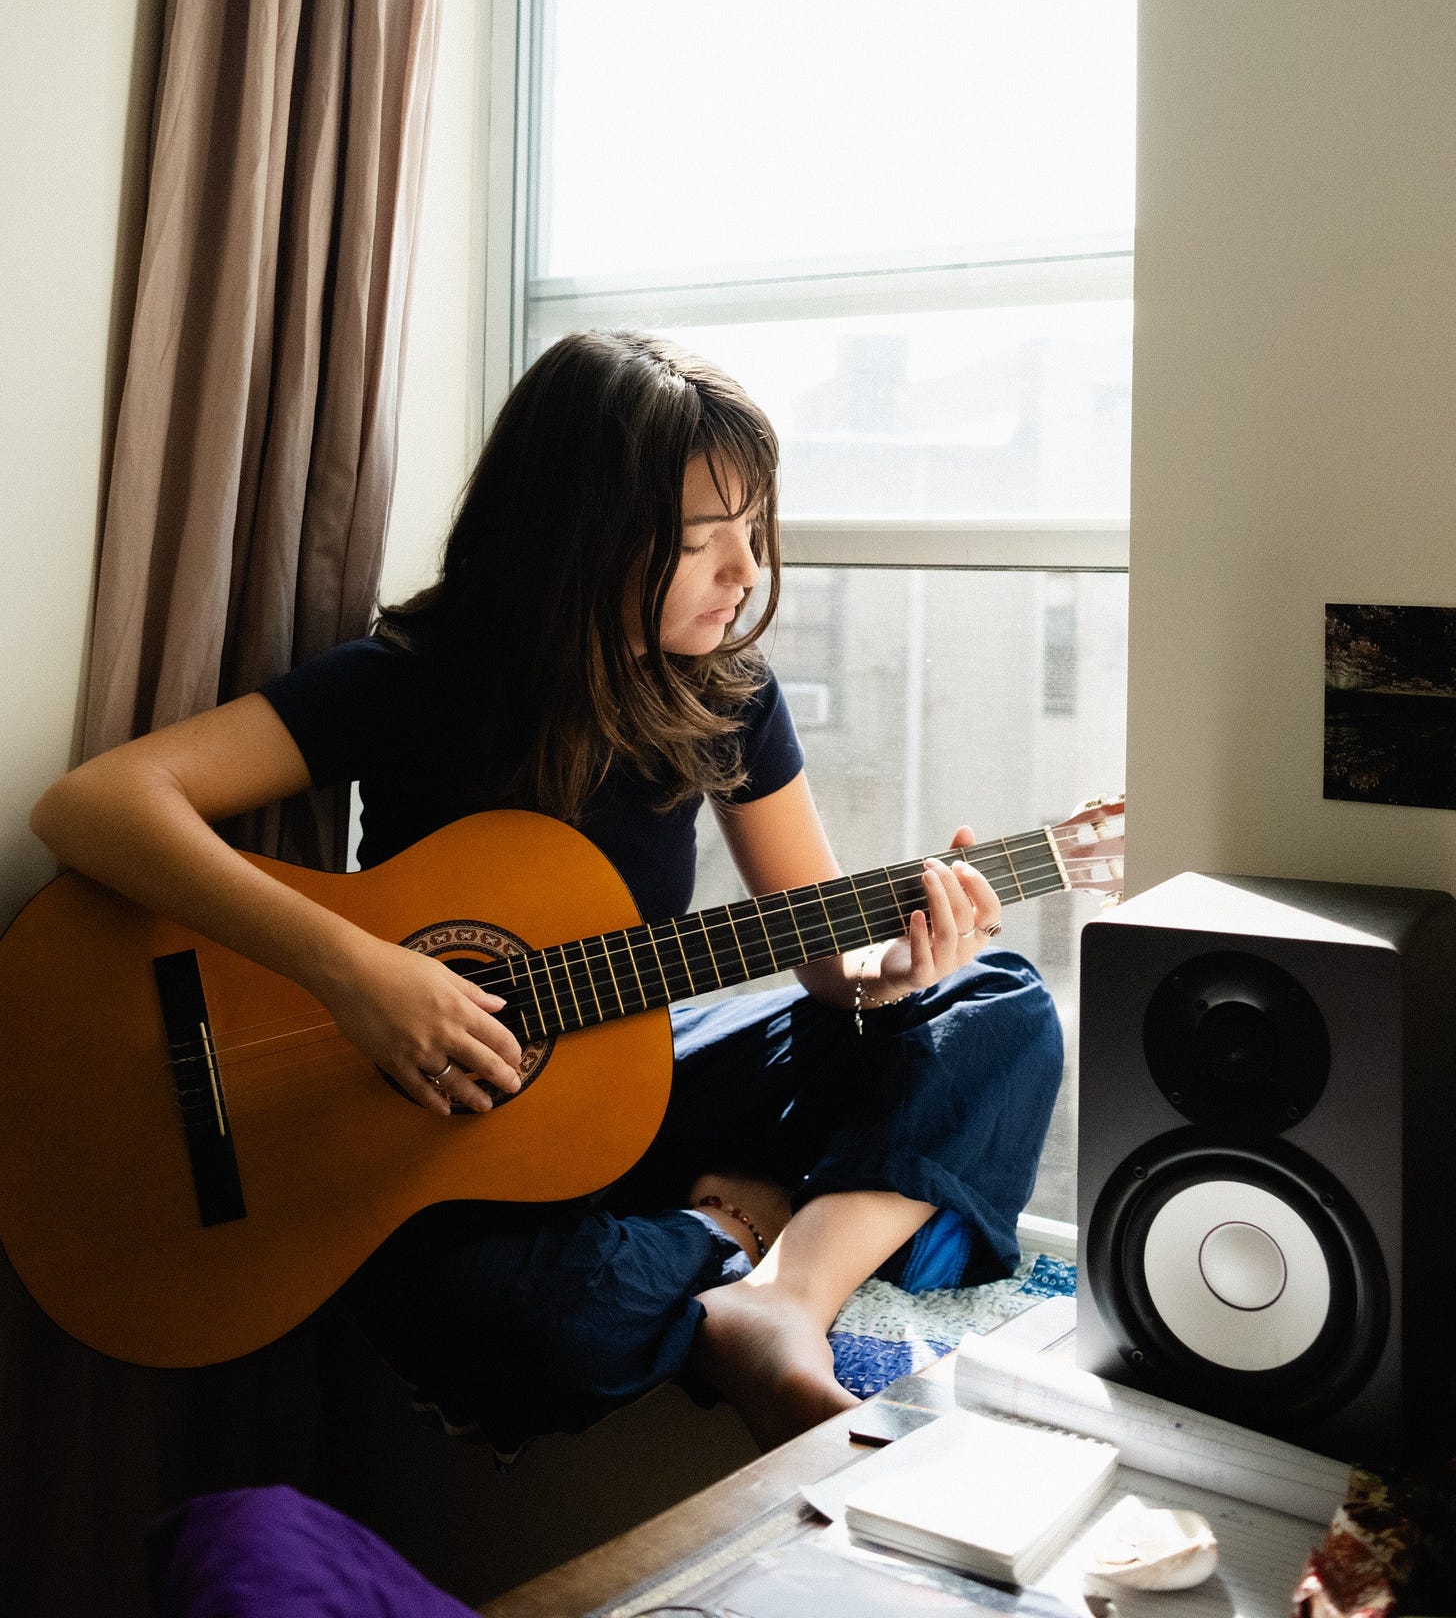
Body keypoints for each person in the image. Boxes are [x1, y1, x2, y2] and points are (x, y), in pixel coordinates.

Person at [30, 330, 1062, 1453]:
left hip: (636, 1078)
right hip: (436, 1144)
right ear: (582, 535)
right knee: (515, 1326)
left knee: (997, 1000)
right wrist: (357, 973)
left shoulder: (730, 698)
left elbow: (827, 961)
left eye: (753, 529)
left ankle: (783, 1298)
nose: (746, 572)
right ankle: (731, 1227)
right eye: (700, 541)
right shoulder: (414, 685)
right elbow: (95, 805)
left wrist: (886, 973)